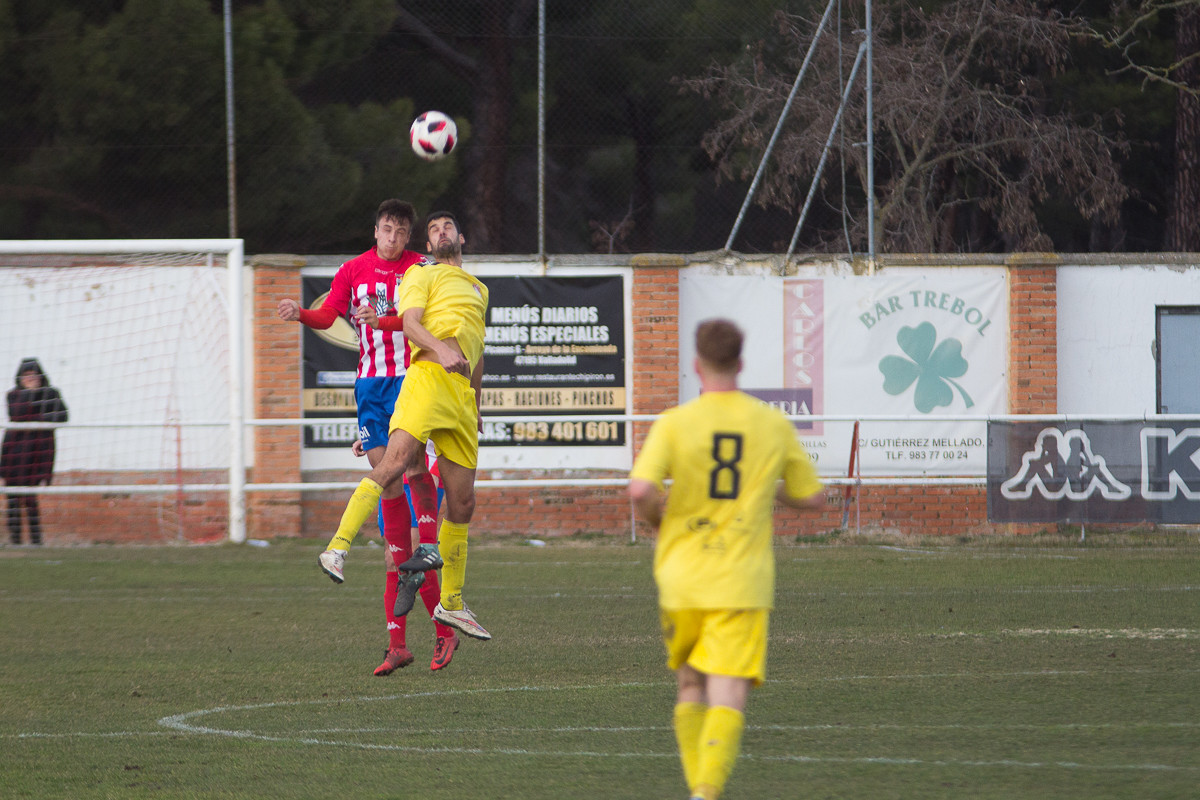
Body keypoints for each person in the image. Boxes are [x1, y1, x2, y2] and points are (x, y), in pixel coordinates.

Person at [628, 319, 824, 800]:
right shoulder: (771, 424)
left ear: (697, 365)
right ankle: (706, 792)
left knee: (690, 683)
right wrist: (770, 490)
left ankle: (699, 789)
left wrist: (656, 520)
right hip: (741, 578)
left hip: (681, 576)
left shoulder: (675, 423)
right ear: (740, 363)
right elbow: (810, 496)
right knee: (729, 690)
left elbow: (640, 490)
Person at [277, 199, 458, 675]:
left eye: (400, 230)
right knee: (388, 483)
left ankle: (426, 554)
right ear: (375, 230)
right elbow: (329, 314)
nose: (392, 237)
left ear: (408, 236)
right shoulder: (354, 269)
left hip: (411, 381)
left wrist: (386, 321)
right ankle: (399, 642)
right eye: (386, 228)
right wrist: (299, 313)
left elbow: (426, 324)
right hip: (370, 388)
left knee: (411, 469)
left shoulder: (421, 270)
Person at [323, 210, 492, 643]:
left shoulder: (478, 288)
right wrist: (439, 348)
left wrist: (477, 402)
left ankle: (451, 604)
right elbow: (412, 323)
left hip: (460, 399)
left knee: (464, 503)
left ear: (462, 237)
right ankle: (338, 547)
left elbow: (476, 348)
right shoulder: (421, 273)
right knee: (396, 465)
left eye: (448, 226)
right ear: (428, 244)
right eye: (433, 229)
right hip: (426, 381)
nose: (441, 232)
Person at [2, 358, 69, 546]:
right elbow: (17, 415)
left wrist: (38, 415)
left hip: (39, 451)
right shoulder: (13, 395)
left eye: (34, 375)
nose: (30, 379)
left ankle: (36, 541)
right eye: (26, 375)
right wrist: (31, 398)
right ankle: (15, 541)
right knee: (13, 498)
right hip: (15, 453)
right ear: (20, 377)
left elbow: (62, 416)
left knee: (31, 498)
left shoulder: (51, 393)